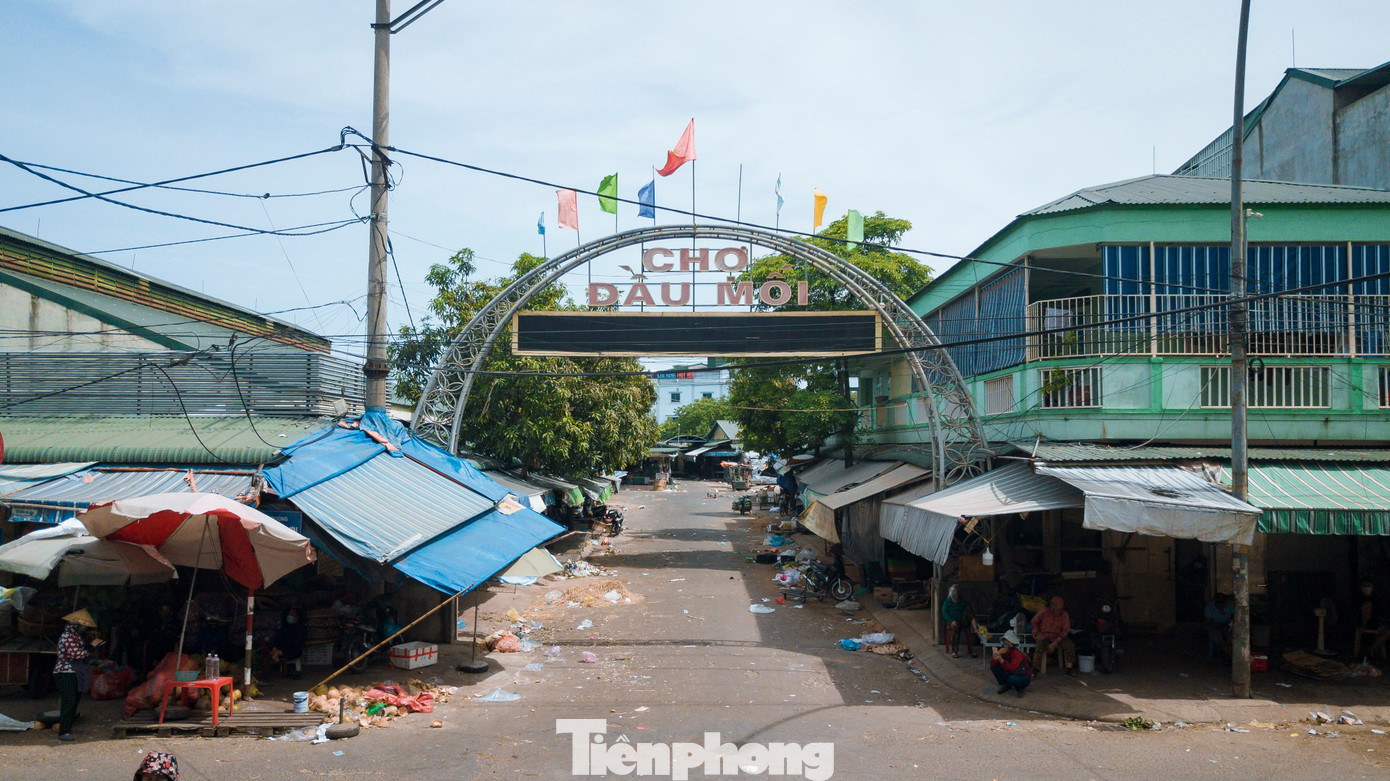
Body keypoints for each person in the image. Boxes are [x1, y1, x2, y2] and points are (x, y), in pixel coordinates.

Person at [54, 608, 101, 742]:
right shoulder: (67, 637)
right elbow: (75, 654)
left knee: (74, 700)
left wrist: (89, 648)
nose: (84, 629)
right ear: (76, 625)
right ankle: (63, 731)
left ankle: (68, 727)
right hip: (66, 672)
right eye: (83, 626)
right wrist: (90, 649)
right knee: (69, 701)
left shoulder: (75, 636)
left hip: (74, 671)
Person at [1031, 595, 1077, 676]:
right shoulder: (1044, 611)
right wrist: (1037, 633)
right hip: (1044, 634)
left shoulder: (1064, 615)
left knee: (1069, 645)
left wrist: (1054, 643)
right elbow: (1034, 621)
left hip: (1058, 637)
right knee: (1040, 645)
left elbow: (1065, 630)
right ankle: (1035, 669)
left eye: (1055, 604)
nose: (1053, 606)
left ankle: (1069, 670)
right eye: (1052, 604)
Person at [989, 630, 1032, 697]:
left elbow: (1012, 668)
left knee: (1012, 678)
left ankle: (1020, 689)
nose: (1005, 643)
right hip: (1012, 672)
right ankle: (1006, 685)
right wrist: (998, 654)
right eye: (1005, 640)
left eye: (1007, 641)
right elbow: (993, 664)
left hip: (1023, 676)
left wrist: (1001, 660)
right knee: (994, 667)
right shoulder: (1005, 651)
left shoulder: (1017, 653)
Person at [270, 608, 308, 680]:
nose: (289, 616)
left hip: (293, 651)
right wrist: (275, 647)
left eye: (292, 615)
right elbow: (278, 639)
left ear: (297, 617)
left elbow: (296, 643)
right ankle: (276, 656)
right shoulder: (284, 627)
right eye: (289, 614)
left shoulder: (301, 628)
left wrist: (282, 651)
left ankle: (278, 657)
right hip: (281, 649)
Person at [1358, 579, 1390, 659]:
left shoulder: (1376, 598)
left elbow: (1378, 613)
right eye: (1364, 586)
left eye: (1368, 586)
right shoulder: (1358, 598)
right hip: (1362, 623)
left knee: (1387, 632)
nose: (1366, 588)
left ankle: (1372, 649)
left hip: (1374, 622)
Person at [941, 585, 975, 658]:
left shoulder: (962, 601)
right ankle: (954, 651)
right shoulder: (947, 602)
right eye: (953, 592)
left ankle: (975, 629)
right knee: (955, 628)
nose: (955, 594)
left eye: (956, 592)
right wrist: (951, 620)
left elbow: (968, 611)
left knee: (969, 613)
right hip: (952, 621)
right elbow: (945, 613)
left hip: (961, 620)